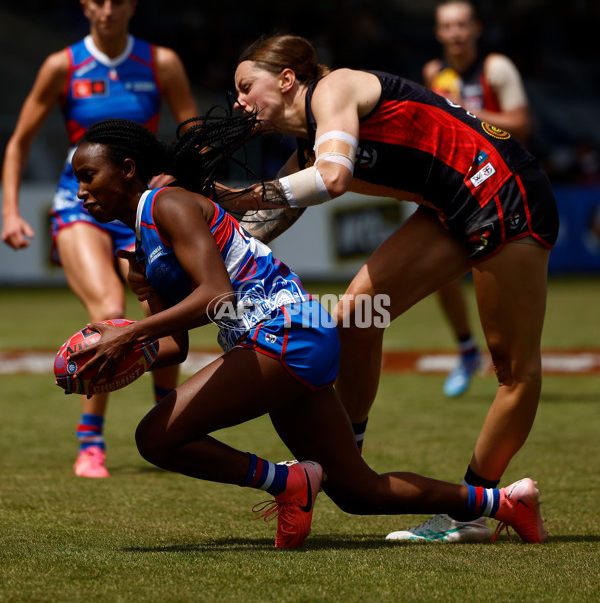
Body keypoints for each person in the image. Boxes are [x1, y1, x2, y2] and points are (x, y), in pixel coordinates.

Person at [64, 116, 546, 549]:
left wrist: (128, 335)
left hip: (286, 332)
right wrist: (112, 360)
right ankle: (503, 503)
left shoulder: (168, 204)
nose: (81, 189)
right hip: (281, 342)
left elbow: (217, 295)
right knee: (359, 491)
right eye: (77, 179)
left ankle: (288, 483)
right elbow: (175, 346)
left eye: (89, 176)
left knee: (155, 437)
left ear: (128, 169)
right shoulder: (139, 254)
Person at [211, 33, 557, 543]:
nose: (239, 101)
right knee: (355, 318)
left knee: (514, 370)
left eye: (246, 86)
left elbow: (330, 178)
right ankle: (347, 457)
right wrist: (186, 229)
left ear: (286, 80)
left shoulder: (334, 91)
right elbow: (264, 219)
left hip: (505, 189)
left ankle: (474, 513)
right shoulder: (308, 140)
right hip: (453, 204)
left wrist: (234, 196)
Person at [1, 0, 199, 477]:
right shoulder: (61, 66)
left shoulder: (162, 62)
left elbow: (192, 141)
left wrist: (184, 188)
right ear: (85, 6)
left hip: (141, 212)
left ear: (132, 6)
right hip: (79, 207)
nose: (108, 9)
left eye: (118, 0)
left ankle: (169, 421)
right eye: (99, 1)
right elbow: (18, 142)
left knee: (165, 315)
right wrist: (10, 211)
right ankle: (91, 444)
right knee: (111, 309)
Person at [423, 0, 533, 398]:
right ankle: (467, 349)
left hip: (500, 191)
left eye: (462, 25)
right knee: (433, 274)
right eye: (447, 26)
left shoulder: (495, 68)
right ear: (438, 33)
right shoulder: (434, 72)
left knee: (503, 291)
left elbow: (521, 124)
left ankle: (511, 368)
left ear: (476, 29)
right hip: (451, 190)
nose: (454, 33)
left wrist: (461, 112)